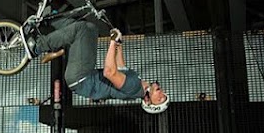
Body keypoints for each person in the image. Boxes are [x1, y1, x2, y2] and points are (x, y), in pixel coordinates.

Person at [21, 17, 169, 113]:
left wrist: (112, 42)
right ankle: (46, 24)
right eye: (164, 95)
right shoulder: (136, 83)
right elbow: (121, 67)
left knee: (81, 30)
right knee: (90, 29)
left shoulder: (134, 87)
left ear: (148, 101)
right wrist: (118, 44)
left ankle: (36, 47)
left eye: (160, 98)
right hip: (83, 76)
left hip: (81, 78)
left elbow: (109, 72)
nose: (162, 94)